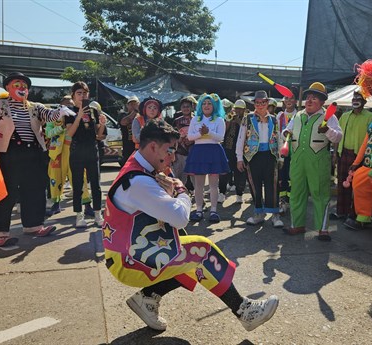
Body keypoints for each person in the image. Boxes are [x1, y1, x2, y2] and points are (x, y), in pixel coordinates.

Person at [102, 120, 279, 332]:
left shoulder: (140, 163)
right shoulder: (140, 181)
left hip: (131, 251)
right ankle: (244, 311)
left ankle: (147, 298)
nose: (173, 157)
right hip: (128, 261)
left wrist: (171, 193)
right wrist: (181, 191)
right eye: (169, 150)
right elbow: (179, 217)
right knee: (199, 250)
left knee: (181, 243)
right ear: (152, 147)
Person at [0, 72, 68, 247]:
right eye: (17, 84)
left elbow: (50, 115)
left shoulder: (35, 107)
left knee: (35, 190)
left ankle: (33, 225)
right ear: (7, 87)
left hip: (34, 152)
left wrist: (62, 111)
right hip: (10, 152)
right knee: (7, 193)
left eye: (25, 85)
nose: (22, 88)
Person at [282, 82, 342, 240]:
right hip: (297, 160)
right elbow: (286, 129)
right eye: (308, 98)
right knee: (296, 193)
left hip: (318, 161)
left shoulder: (329, 117)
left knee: (320, 194)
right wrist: (285, 132)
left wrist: (327, 130)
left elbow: (338, 136)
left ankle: (323, 229)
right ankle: (297, 225)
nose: (309, 101)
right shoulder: (297, 115)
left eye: (314, 98)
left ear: (322, 102)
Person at [236, 91, 284, 227]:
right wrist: (239, 158)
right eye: (257, 102)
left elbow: (278, 138)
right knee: (254, 185)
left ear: (267, 103)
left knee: (273, 185)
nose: (260, 105)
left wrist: (280, 157)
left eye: (263, 102)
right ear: (254, 104)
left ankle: (275, 214)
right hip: (252, 156)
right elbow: (241, 138)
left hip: (270, 155)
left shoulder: (273, 119)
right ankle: (258, 213)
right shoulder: (248, 118)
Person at [344, 99, 372, 231]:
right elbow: (365, 145)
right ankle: (363, 217)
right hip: (367, 165)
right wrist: (356, 163)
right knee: (358, 183)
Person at [65, 82, 106, 228]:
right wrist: (79, 116)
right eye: (79, 93)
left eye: (85, 93)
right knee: (77, 185)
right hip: (76, 150)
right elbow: (69, 134)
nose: (83, 96)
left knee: (96, 183)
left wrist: (102, 125)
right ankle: (79, 215)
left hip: (92, 149)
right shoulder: (69, 111)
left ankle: (97, 214)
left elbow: (99, 136)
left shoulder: (93, 111)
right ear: (73, 96)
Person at [185, 94, 229, 223]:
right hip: (199, 152)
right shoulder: (195, 119)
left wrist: (208, 132)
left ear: (214, 106)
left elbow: (220, 137)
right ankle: (198, 210)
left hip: (214, 152)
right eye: (204, 103)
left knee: (213, 184)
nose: (206, 106)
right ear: (200, 106)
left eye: (209, 103)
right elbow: (190, 137)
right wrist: (201, 133)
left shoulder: (219, 120)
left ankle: (213, 211)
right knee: (199, 184)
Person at [45, 96, 91, 217]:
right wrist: (61, 127)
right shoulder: (53, 117)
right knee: (55, 178)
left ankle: (87, 205)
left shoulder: (77, 115)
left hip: (74, 150)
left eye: (70, 104)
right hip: (57, 153)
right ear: (60, 105)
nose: (68, 107)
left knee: (81, 177)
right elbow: (48, 133)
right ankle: (56, 205)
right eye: (65, 105)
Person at [332, 91, 372, 220]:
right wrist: (335, 153)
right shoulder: (344, 116)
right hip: (343, 153)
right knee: (341, 183)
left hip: (359, 157)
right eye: (354, 98)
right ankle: (341, 212)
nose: (355, 100)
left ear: (364, 102)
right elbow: (337, 136)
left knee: (356, 187)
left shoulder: (370, 117)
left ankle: (353, 214)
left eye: (359, 98)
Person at [222, 100, 247, 204]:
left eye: (240, 109)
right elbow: (224, 132)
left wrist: (239, 122)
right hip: (229, 148)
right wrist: (229, 121)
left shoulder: (247, 119)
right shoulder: (230, 117)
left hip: (242, 150)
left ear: (244, 110)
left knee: (240, 173)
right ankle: (222, 192)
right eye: (236, 108)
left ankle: (239, 194)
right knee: (226, 170)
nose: (237, 111)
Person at [277, 94, 298, 213]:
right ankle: (282, 202)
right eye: (286, 98)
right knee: (281, 177)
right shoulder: (280, 116)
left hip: (295, 151)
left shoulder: (299, 115)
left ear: (295, 100)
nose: (289, 101)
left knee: (292, 178)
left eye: (291, 98)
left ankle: (292, 202)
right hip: (281, 151)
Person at [171, 96, 195, 189]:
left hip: (194, 152)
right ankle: (178, 196)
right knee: (179, 178)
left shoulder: (197, 120)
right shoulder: (176, 121)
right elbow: (172, 137)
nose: (186, 108)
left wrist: (193, 139)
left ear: (192, 107)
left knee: (196, 177)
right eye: (183, 106)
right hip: (180, 153)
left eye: (188, 106)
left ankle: (199, 199)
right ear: (180, 108)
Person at [119, 95, 140, 168]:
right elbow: (124, 122)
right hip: (127, 148)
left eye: (135, 104)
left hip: (139, 148)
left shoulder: (142, 116)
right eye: (131, 104)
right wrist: (135, 111)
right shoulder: (123, 114)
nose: (133, 106)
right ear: (127, 106)